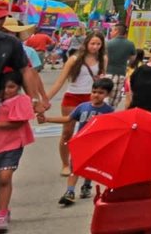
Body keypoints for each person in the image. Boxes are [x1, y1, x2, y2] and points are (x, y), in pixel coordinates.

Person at [40, 77, 115, 206]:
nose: (96, 95)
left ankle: (86, 186)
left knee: (90, 167)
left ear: (107, 94)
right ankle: (69, 192)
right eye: (94, 91)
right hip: (80, 143)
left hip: (96, 145)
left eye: (101, 92)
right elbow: (68, 119)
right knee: (75, 167)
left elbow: (111, 129)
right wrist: (47, 119)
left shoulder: (108, 111)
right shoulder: (82, 107)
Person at [45, 30, 106, 176]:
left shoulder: (103, 59)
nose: (95, 47)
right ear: (86, 43)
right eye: (92, 43)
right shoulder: (74, 59)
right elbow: (60, 82)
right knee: (67, 132)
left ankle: (83, 161)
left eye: (98, 44)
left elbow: (102, 80)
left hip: (92, 98)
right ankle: (65, 163)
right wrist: (45, 100)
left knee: (89, 133)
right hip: (72, 97)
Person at [0, 72, 34, 231]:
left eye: (11, 87)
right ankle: (3, 211)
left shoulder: (21, 100)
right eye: (4, 87)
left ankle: (2, 213)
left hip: (12, 144)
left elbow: (17, 123)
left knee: (4, 177)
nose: (7, 90)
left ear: (19, 87)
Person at [104, 26, 135, 107]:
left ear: (117, 31)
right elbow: (132, 59)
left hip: (106, 73)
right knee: (114, 99)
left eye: (112, 30)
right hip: (120, 73)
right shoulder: (130, 44)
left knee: (104, 95)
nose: (110, 32)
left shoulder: (108, 43)